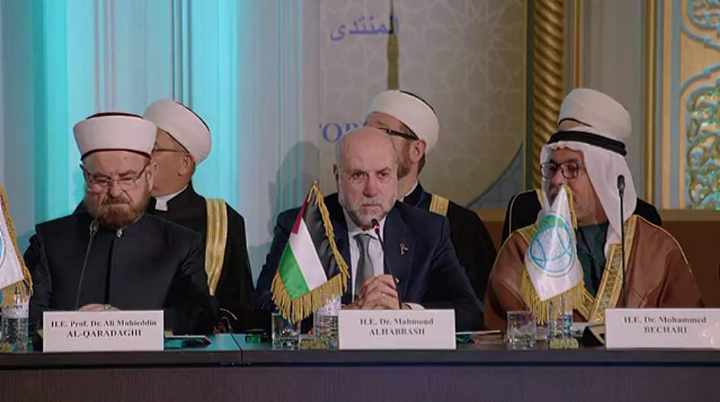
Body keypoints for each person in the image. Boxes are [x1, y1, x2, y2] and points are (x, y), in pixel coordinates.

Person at [485, 88, 703, 329]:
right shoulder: (520, 249)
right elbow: (502, 335)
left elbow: (691, 332)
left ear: (604, 176)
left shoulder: (657, 249)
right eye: (552, 168)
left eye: (572, 169)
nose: (557, 181)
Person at [256, 127, 483, 330]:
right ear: (337, 177)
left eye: (383, 175)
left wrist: (404, 314)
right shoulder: (308, 226)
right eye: (358, 176)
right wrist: (347, 316)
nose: (371, 190)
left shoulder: (427, 230)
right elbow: (261, 310)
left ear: (396, 176)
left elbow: (470, 312)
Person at [25, 112, 215, 335]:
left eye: (127, 178)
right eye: (101, 179)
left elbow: (199, 316)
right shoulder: (49, 240)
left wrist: (124, 323)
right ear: (86, 177)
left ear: (149, 176)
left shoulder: (180, 244)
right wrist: (77, 324)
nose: (115, 191)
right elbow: (24, 316)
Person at [364, 90, 496, 302]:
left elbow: (470, 311)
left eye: (381, 132)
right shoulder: (332, 216)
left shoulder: (459, 225)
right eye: (365, 131)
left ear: (416, 150)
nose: (367, 141)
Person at [143, 99, 256, 332]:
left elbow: (240, 304)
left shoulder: (223, 219)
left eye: (153, 149)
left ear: (184, 164)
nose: (142, 158)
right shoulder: (119, 211)